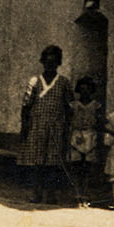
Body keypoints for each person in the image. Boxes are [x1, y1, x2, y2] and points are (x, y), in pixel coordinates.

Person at [17, 45, 73, 204]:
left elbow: (69, 108)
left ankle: (51, 193)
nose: (50, 65)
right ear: (42, 62)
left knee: (53, 162)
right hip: (37, 126)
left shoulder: (63, 83)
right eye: (47, 62)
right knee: (36, 161)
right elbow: (26, 106)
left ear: (59, 63)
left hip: (56, 128)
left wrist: (67, 130)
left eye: (54, 62)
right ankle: (36, 192)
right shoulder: (34, 81)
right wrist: (24, 127)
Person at [68, 76, 103, 199]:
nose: (84, 92)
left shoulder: (96, 105)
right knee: (76, 164)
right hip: (77, 134)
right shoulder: (73, 105)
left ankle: (86, 191)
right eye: (82, 89)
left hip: (90, 134)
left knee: (88, 165)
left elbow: (99, 121)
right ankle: (77, 191)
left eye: (87, 89)